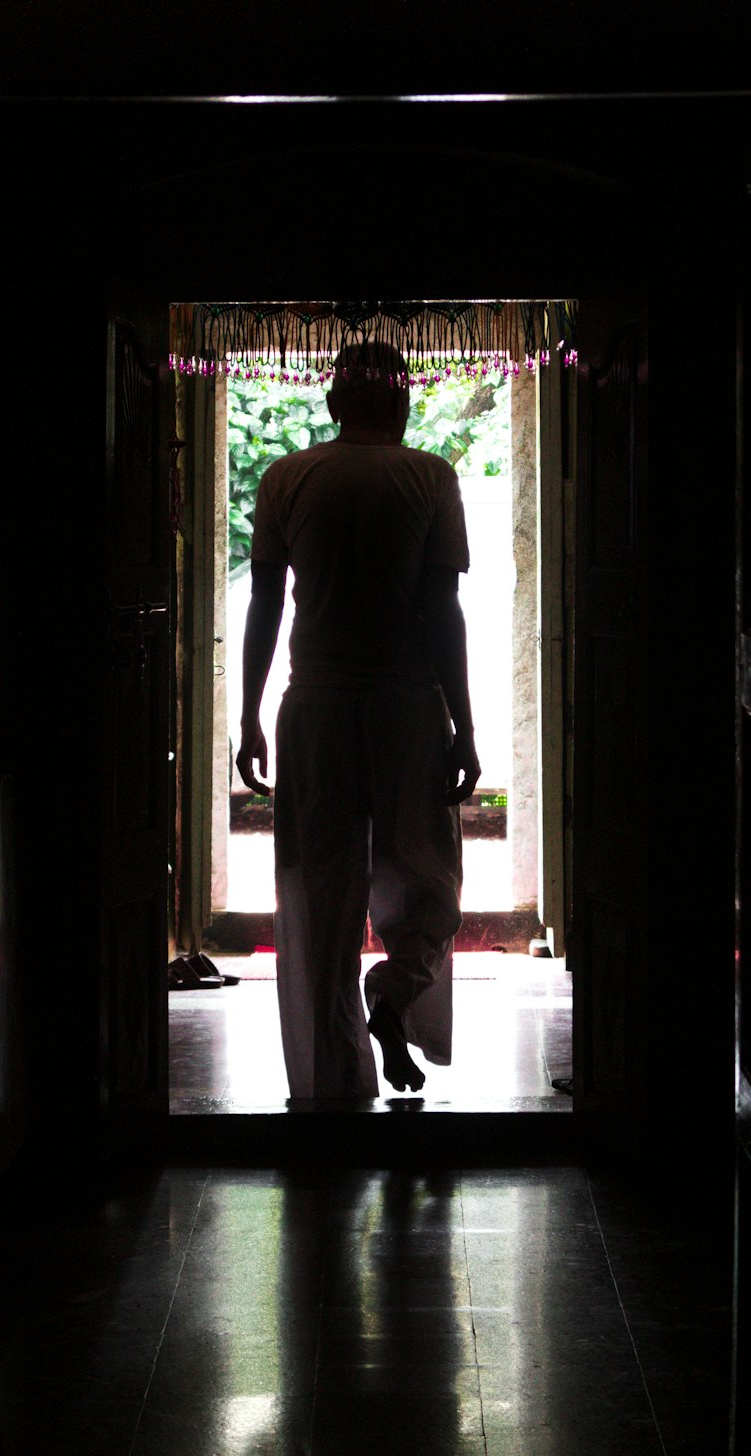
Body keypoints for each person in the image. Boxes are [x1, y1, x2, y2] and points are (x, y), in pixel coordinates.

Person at [235, 341, 480, 1098]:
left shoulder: (287, 476)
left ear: (334, 403)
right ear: (401, 402)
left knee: (320, 894)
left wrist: (249, 715)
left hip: (314, 704)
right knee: (428, 881)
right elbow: (442, 610)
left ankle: (334, 1074)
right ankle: (396, 996)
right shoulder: (428, 477)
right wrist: (464, 726)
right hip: (408, 703)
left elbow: (267, 606)